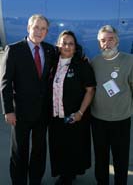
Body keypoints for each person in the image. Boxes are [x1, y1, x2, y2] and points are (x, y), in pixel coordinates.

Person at [0, 14, 55, 185]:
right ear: (28, 28)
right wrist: (8, 110)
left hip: (42, 113)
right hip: (20, 113)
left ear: (47, 32)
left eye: (43, 28)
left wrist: (82, 58)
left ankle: (35, 181)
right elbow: (5, 83)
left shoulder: (50, 50)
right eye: (36, 27)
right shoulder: (14, 49)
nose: (39, 31)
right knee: (20, 152)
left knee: (39, 151)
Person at [48, 30, 96, 185]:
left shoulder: (82, 65)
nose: (67, 46)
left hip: (75, 115)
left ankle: (67, 176)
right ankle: (64, 172)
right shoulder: (52, 63)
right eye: (64, 43)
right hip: (55, 115)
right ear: (58, 45)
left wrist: (81, 112)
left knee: (73, 146)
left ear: (75, 47)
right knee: (58, 145)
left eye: (71, 43)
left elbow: (90, 90)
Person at [91, 25, 133, 185]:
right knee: (101, 159)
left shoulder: (129, 61)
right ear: (99, 43)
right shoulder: (94, 62)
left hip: (121, 120)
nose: (107, 43)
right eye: (103, 40)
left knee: (120, 159)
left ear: (117, 41)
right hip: (98, 120)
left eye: (111, 39)